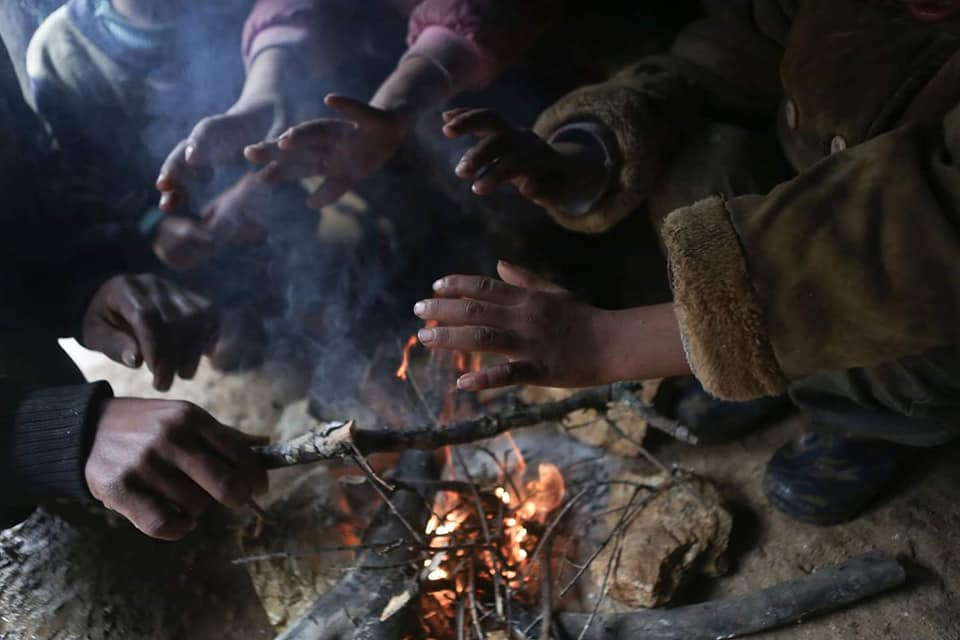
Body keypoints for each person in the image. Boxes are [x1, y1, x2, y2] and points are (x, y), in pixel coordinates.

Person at [414, 0, 960, 526]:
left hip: (927, 304)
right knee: (701, 154)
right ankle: (755, 368)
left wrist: (610, 343)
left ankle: (876, 418)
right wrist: (582, 157)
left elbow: (930, 234)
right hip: (809, 208)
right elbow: (721, 61)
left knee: (919, 321)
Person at [0, 30, 266, 540]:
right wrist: (47, 434)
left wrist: (82, 284)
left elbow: (28, 181)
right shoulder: (65, 51)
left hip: (78, 452)